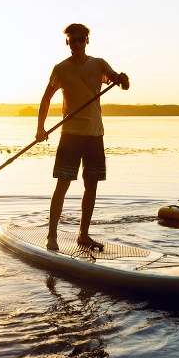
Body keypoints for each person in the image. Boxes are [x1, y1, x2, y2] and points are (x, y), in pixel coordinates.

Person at [36, 23, 129, 251]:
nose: (77, 43)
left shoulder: (98, 64)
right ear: (67, 41)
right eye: (72, 39)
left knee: (92, 186)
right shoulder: (60, 69)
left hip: (94, 134)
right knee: (63, 185)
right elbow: (46, 98)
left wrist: (123, 79)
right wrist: (41, 128)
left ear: (87, 40)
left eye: (81, 39)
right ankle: (52, 236)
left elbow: (122, 84)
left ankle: (83, 235)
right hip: (70, 135)